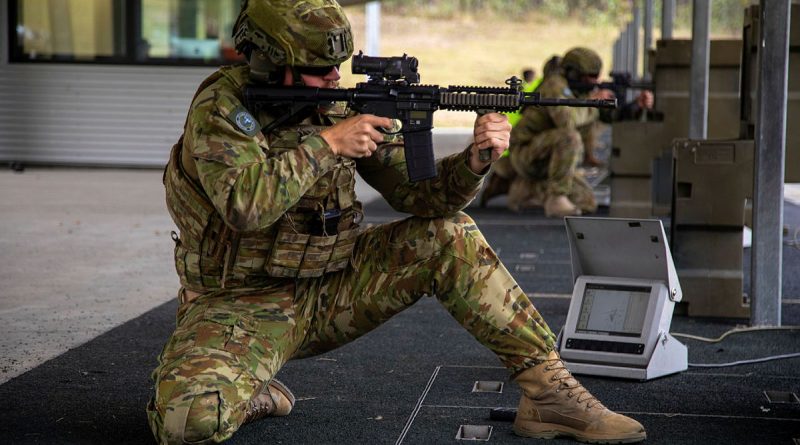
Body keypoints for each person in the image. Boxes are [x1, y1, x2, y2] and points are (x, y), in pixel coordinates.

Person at [146, 2, 646, 444]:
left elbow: (422, 197)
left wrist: (474, 160)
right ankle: (251, 392)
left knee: (448, 235)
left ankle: (549, 392)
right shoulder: (222, 110)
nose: (334, 81)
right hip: (238, 306)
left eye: (336, 68)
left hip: (329, 287)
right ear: (270, 64)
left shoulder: (334, 103)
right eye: (319, 71)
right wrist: (327, 146)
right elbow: (242, 205)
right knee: (189, 423)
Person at [480, 47, 653, 216]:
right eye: (588, 78)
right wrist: (593, 102)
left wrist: (635, 105)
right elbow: (567, 122)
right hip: (525, 153)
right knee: (569, 138)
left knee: (586, 201)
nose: (593, 82)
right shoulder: (555, 85)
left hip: (549, 156)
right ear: (573, 73)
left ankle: (523, 188)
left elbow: (609, 115)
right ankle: (555, 197)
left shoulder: (580, 90)